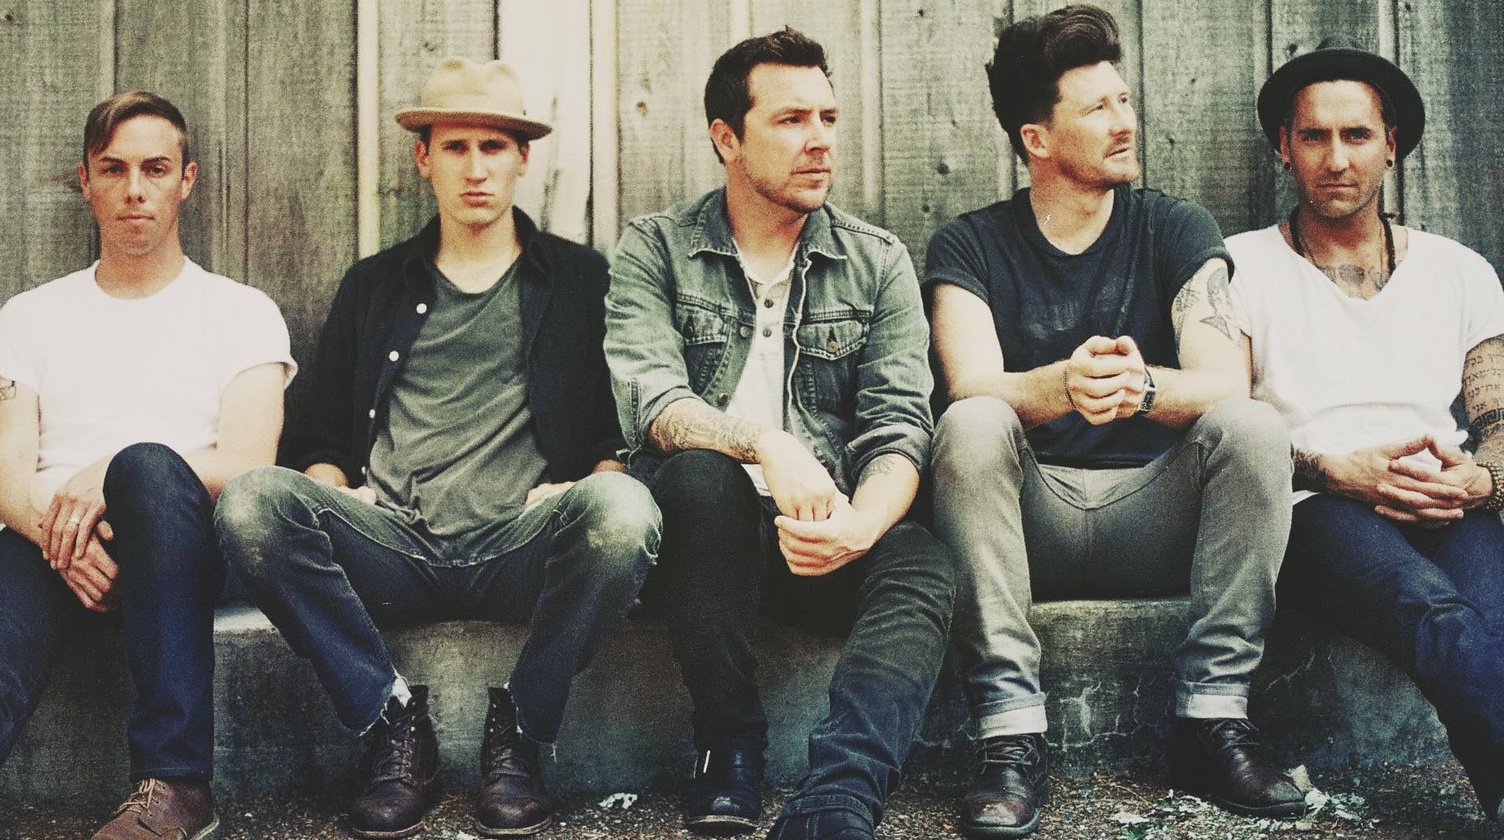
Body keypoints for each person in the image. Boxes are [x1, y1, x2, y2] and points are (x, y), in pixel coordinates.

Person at [215, 57, 660, 839]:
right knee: (251, 501)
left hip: (519, 545)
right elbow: (320, 436)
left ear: (523, 158)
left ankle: (520, 730)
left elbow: (614, 432)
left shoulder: (580, 280)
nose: (476, 169)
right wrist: (333, 485)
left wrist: (584, 484)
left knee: (624, 510)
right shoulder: (376, 285)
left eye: (494, 147)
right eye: (456, 148)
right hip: (393, 545)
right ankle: (391, 720)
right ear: (424, 158)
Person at [924, 5, 1305, 835]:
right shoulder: (969, 245)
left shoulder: (1174, 226)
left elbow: (1224, 379)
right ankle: (1010, 736)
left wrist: (1140, 389)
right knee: (970, 425)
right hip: (1028, 522)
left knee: (1253, 428)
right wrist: (1060, 386)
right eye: (1098, 108)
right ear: (1036, 138)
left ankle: (1212, 720)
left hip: (1152, 515)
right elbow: (969, 383)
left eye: (1124, 100)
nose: (1125, 121)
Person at [604, 27, 957, 840]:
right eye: (792, 120)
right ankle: (728, 749)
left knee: (921, 562)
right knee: (701, 478)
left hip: (821, 536)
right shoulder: (656, 248)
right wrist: (765, 443)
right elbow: (651, 401)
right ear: (727, 138)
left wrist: (861, 526)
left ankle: (842, 794)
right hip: (702, 547)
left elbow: (900, 424)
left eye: (828, 118)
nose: (820, 140)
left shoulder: (877, 261)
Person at [0, 91, 294, 840]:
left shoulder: (241, 312)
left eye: (155, 169)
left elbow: (248, 462)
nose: (135, 189)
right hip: (50, 541)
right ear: (86, 180)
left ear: (186, 180)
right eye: (114, 169)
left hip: (184, 544)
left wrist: (116, 470)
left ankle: (176, 787)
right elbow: (6, 476)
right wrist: (64, 547)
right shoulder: (28, 316)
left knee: (146, 471)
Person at [1228, 35, 1504, 821]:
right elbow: (1220, 430)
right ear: (1284, 148)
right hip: (1312, 507)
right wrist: (1331, 469)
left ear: (1392, 145)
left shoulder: (1459, 270)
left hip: (1441, 497)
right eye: (1314, 136)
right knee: (1436, 615)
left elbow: (1500, 419)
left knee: (1496, 622)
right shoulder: (1238, 266)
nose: (1336, 158)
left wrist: (1481, 479)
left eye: (1356, 135)